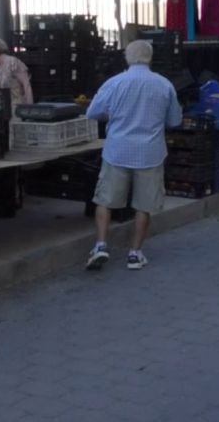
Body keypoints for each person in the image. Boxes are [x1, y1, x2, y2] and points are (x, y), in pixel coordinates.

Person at [84, 40, 182, 271]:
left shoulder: (114, 83)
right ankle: (135, 253)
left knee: (105, 200)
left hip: (117, 150)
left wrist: (114, 116)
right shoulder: (164, 85)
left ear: (127, 58)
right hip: (150, 153)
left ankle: (100, 245)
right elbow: (174, 120)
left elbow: (93, 112)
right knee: (143, 205)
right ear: (150, 57)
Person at [0, 35, 33, 108]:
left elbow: (26, 85)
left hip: (17, 107)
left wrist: (29, 107)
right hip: (2, 108)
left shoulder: (12, 63)